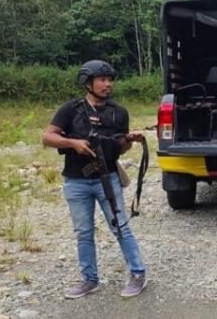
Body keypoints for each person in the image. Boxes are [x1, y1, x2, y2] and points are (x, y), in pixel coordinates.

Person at [41, 60, 148, 299]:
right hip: (75, 182)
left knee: (120, 227)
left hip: (107, 178)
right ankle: (89, 280)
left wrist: (130, 139)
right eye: (102, 79)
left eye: (110, 79)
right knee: (84, 233)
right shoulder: (71, 109)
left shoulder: (119, 112)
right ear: (88, 83)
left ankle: (138, 274)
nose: (108, 84)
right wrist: (73, 143)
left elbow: (120, 150)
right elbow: (47, 137)